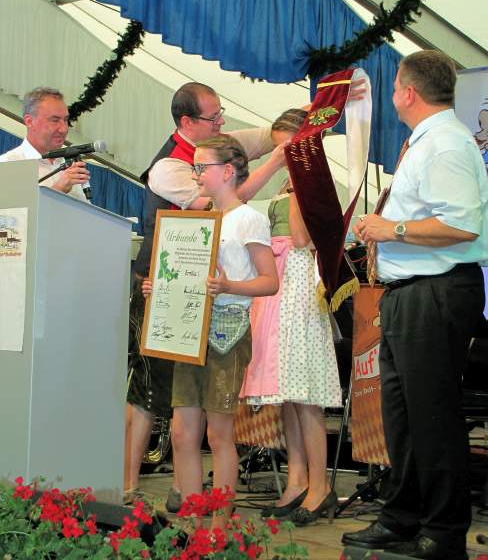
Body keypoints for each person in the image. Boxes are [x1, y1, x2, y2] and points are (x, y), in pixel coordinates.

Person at [343, 50, 488, 560]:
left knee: (431, 415)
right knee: (403, 416)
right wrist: (383, 231)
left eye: (394, 88)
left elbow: (462, 225)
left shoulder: (445, 143)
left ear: (408, 92)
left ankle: (443, 531)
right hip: (412, 291)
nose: (392, 96)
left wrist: (392, 228)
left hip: (437, 289)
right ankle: (402, 517)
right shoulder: (427, 141)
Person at [125, 82, 288, 505]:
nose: (196, 174)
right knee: (178, 425)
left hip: (225, 334)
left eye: (202, 168)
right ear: (186, 121)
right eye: (195, 167)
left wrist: (230, 286)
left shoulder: (247, 219)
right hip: (187, 328)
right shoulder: (183, 195)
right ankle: (186, 509)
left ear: (227, 171)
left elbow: (268, 281)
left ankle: (217, 518)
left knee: (218, 434)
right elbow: (183, 265)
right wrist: (159, 285)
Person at [240, 108, 342, 526]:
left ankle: (320, 485)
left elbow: (301, 238)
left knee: (305, 392)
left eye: (288, 147)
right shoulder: (288, 182)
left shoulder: (310, 183)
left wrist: (300, 185)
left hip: (298, 282)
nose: (282, 155)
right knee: (286, 391)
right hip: (280, 284)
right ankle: (297, 479)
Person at [0, 87, 89, 200]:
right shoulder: (8, 164)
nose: (63, 129)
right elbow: (13, 211)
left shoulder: (70, 165)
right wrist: (58, 189)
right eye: (55, 120)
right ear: (30, 121)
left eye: (65, 120)